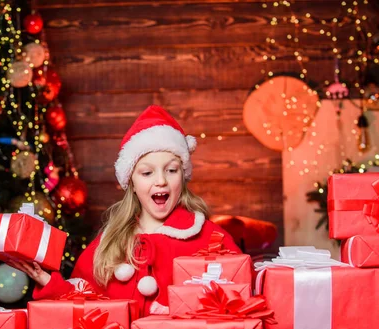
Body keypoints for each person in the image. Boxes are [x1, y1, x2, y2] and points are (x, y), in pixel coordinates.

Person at [12, 105, 241, 316]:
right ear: (130, 182)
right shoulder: (110, 241)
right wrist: (49, 283)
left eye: (171, 170)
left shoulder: (211, 238)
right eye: (147, 173)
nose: (161, 181)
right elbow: (84, 307)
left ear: (183, 176)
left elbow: (239, 298)